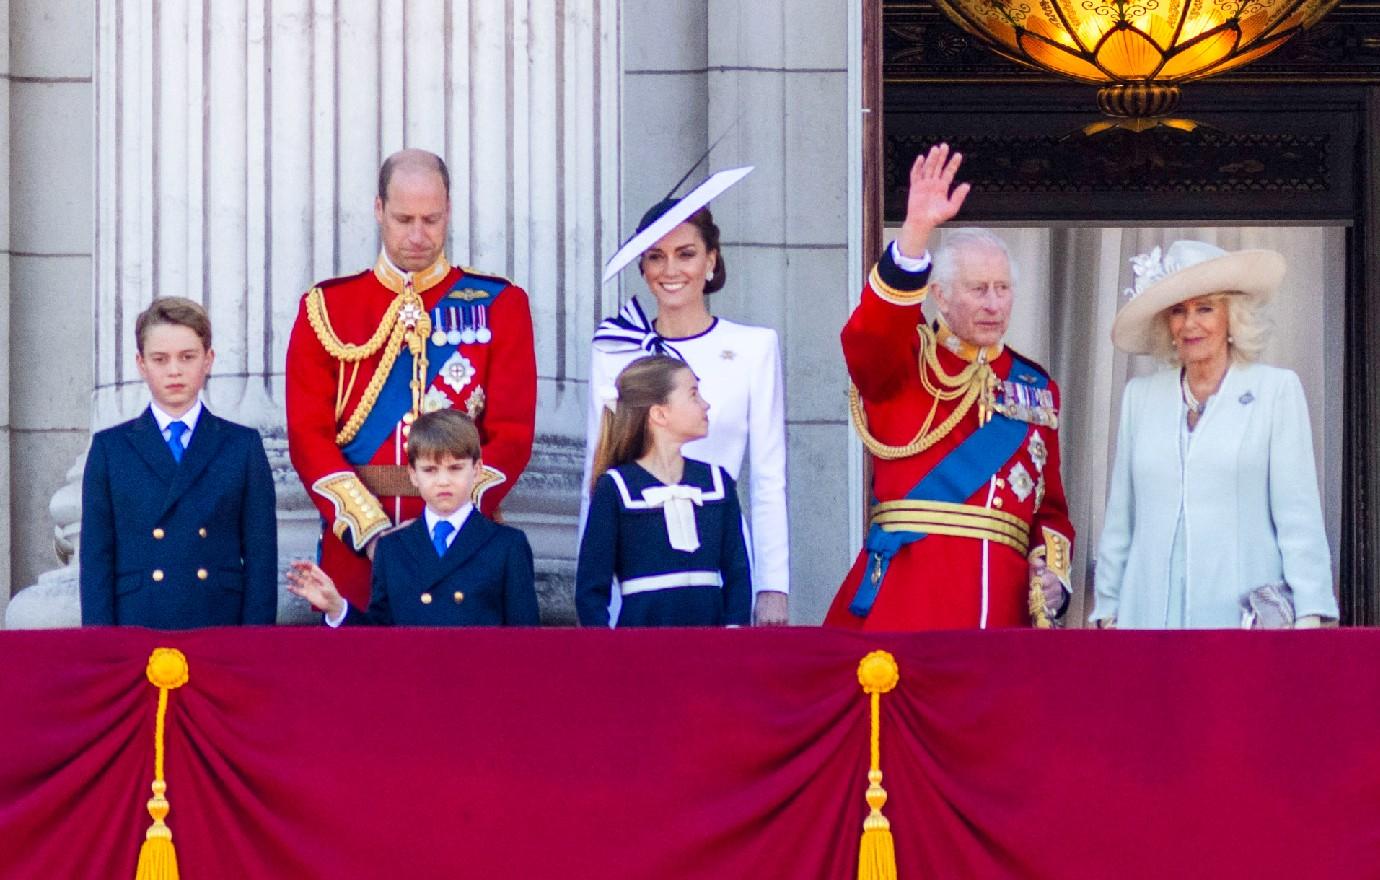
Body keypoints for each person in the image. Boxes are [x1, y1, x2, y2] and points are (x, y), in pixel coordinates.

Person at [823, 144, 1075, 630]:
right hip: (910, 598)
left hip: (1003, 610)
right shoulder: (904, 363)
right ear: (938, 294)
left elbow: (1051, 509)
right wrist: (915, 234)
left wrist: (1054, 577)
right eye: (978, 289)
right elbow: (868, 338)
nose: (994, 303)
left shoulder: (1036, 386)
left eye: (1003, 289)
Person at [286, 148, 537, 610]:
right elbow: (308, 438)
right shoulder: (326, 309)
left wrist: (451, 518)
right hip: (357, 554)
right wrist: (373, 533)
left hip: (464, 551)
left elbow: (513, 434)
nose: (418, 235)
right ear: (378, 209)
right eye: (404, 219)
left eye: (432, 219)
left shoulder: (500, 304)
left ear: (448, 211)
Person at [1090, 240, 1338, 629]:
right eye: (1178, 311)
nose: (1190, 324)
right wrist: (1107, 609)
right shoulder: (1140, 397)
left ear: (1231, 318)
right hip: (1147, 620)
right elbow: (1122, 515)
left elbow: (1298, 516)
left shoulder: (1275, 391)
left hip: (1242, 622)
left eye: (1205, 308)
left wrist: (1309, 615)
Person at [586, 178, 788, 626]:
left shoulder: (754, 347)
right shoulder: (615, 348)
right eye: (656, 256)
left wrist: (773, 585)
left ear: (712, 260)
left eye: (686, 253)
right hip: (635, 570)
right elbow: (596, 470)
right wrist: (592, 588)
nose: (670, 269)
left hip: (720, 559)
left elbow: (769, 478)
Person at [80, 297, 278, 627]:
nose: (174, 370)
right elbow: (96, 561)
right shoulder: (109, 449)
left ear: (208, 360)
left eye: (187, 357)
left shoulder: (242, 446)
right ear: (141, 364)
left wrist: (254, 646)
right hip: (137, 624)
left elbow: (261, 560)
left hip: (219, 624)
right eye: (160, 359)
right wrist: (102, 648)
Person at [286, 410, 539, 626]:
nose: (443, 481)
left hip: (480, 680)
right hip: (409, 681)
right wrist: (337, 609)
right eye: (430, 470)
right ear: (413, 475)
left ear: (477, 470)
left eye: (455, 468)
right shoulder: (392, 548)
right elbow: (377, 639)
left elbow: (526, 644)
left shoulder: (507, 545)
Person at [577, 355, 752, 627]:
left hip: (712, 647)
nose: (705, 404)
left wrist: (733, 634)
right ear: (660, 413)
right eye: (694, 395)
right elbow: (591, 589)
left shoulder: (716, 482)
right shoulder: (616, 487)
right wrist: (608, 654)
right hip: (642, 650)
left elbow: (738, 573)